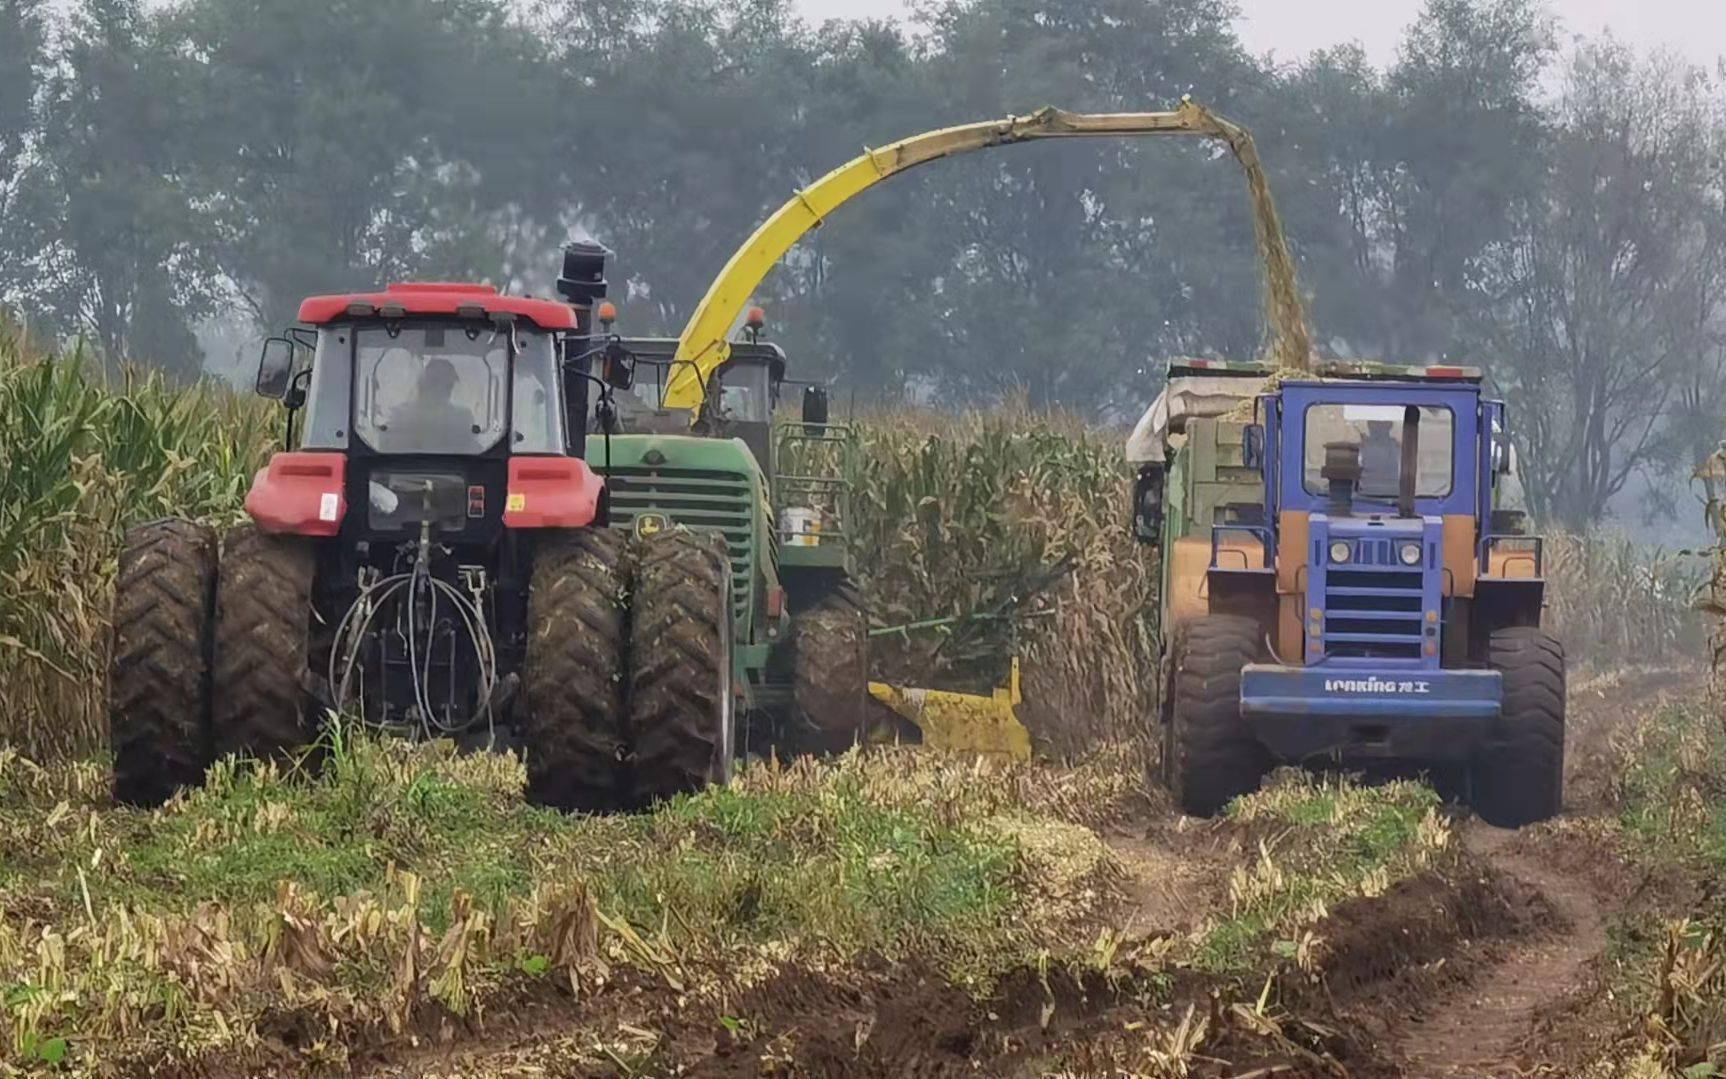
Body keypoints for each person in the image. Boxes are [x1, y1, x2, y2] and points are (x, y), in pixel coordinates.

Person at [387, 357, 475, 447]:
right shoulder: (401, 415)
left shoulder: (462, 417)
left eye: (448, 385)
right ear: (422, 384)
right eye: (434, 382)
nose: (441, 389)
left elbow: (471, 450)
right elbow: (389, 449)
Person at [1358, 418, 1401, 495]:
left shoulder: (1398, 449)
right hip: (1363, 496)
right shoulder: (1360, 449)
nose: (1378, 427)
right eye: (1374, 424)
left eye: (1382, 424)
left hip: (1395, 497)